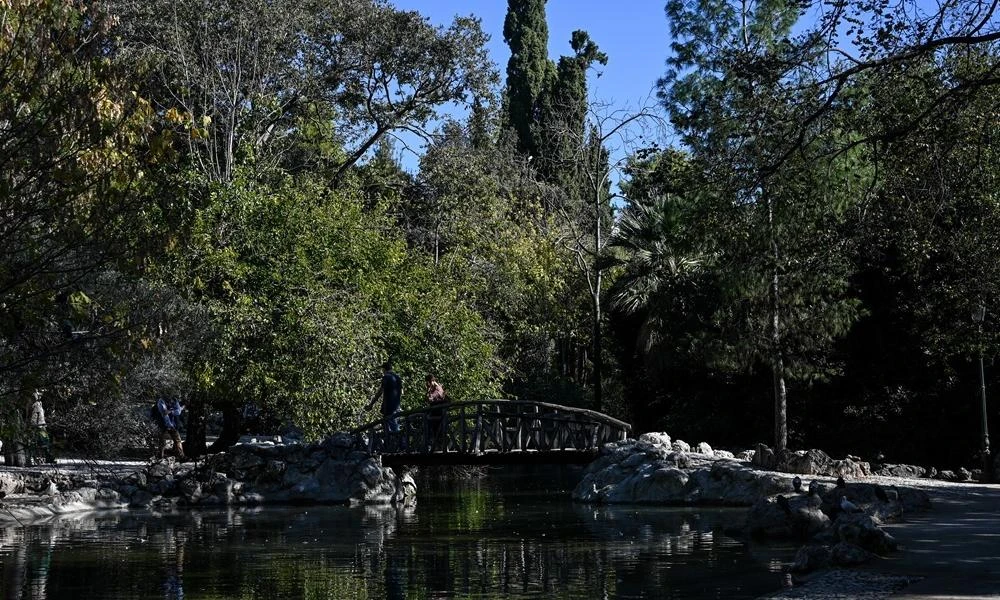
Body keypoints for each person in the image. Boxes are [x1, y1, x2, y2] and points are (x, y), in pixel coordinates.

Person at [365, 362, 404, 447]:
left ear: (384, 369)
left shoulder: (386, 377)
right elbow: (401, 392)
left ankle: (400, 446)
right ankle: (394, 445)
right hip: (397, 405)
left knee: (392, 427)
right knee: (394, 424)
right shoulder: (397, 377)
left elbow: (380, 392)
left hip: (389, 407)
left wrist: (371, 404)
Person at [155, 396, 186, 460]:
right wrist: (172, 411)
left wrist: (171, 411)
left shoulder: (175, 400)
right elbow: (164, 413)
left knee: (177, 440)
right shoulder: (161, 401)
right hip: (163, 425)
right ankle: (160, 457)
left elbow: (178, 412)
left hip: (172, 424)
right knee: (162, 441)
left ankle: (181, 456)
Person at [29, 390, 55, 464]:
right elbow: (34, 418)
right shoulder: (36, 405)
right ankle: (34, 458)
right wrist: (34, 426)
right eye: (38, 395)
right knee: (38, 443)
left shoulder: (40, 404)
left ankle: (48, 457)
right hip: (38, 427)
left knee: (45, 442)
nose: (40, 396)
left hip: (42, 426)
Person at [425, 374, 447, 451]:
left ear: (431, 381)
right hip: (436, 413)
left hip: (439, 413)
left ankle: (439, 447)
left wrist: (428, 391)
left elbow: (430, 399)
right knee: (436, 430)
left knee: (438, 430)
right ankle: (437, 447)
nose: (428, 384)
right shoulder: (433, 388)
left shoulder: (437, 388)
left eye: (428, 382)